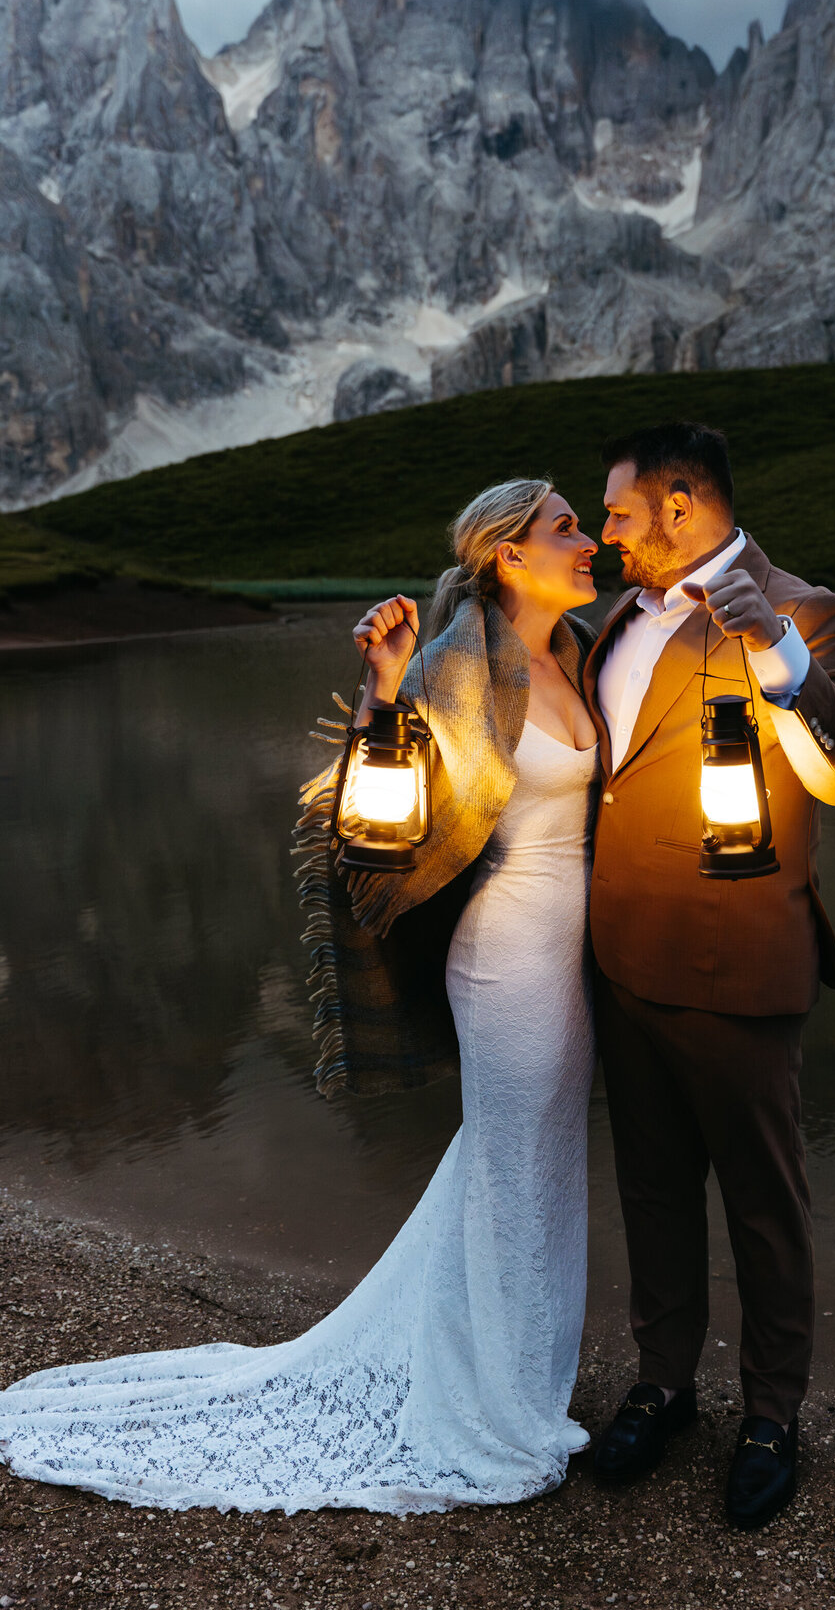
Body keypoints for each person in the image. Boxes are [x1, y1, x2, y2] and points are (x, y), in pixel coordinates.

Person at [0, 478, 603, 1517]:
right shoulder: (461, 660)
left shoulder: (578, 650)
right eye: (565, 528)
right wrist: (379, 692)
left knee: (538, 1163)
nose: (587, 540)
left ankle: (519, 1379)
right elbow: (382, 785)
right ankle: (494, 1415)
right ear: (510, 555)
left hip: (573, 954)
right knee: (512, 1171)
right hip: (505, 948)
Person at [582, 422, 835, 1531]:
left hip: (737, 966)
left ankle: (770, 1416)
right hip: (617, 964)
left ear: (678, 502)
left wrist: (779, 664)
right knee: (652, 1192)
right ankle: (662, 1387)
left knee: (763, 1206)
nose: (606, 534)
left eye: (616, 513)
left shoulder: (805, 610)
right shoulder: (616, 616)